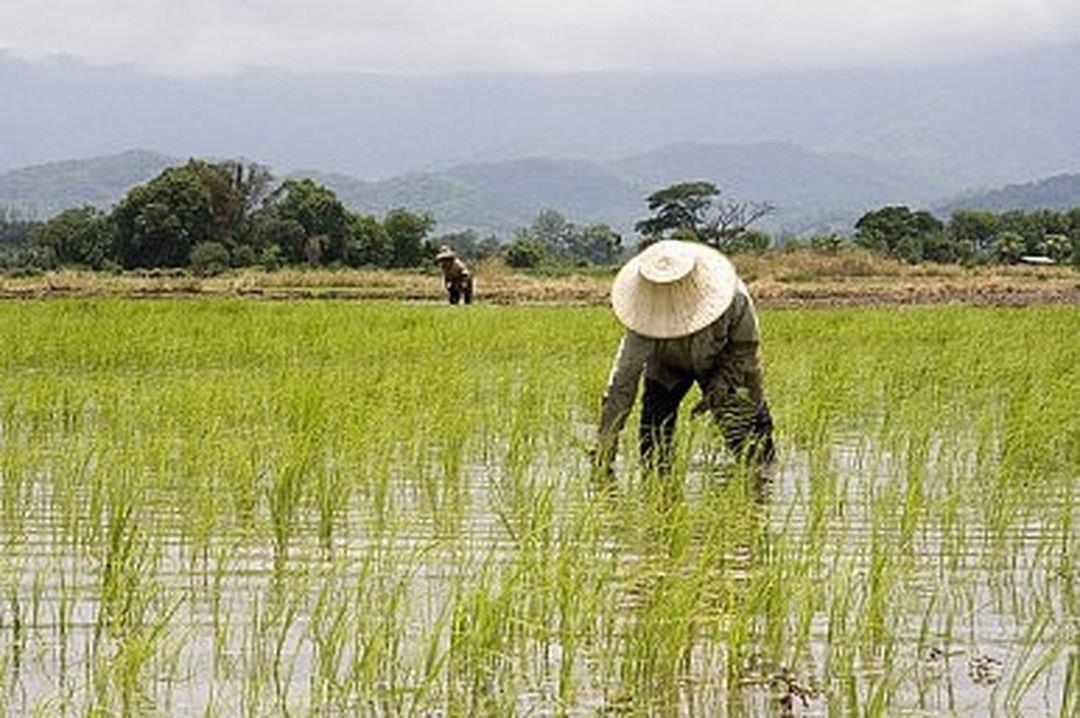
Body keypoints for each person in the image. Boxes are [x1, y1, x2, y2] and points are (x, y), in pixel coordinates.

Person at [594, 239, 775, 478]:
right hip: (667, 366)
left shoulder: (734, 297)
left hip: (724, 361)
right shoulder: (642, 315)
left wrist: (721, 385)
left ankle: (760, 491)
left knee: (752, 444)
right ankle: (659, 499)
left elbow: (745, 348)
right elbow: (622, 382)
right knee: (654, 444)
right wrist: (606, 445)